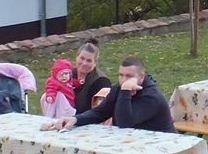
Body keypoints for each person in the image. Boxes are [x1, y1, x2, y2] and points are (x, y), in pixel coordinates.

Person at [44, 56, 174, 132]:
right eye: (121, 75)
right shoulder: (119, 88)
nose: (123, 80)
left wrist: (125, 91)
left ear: (141, 76)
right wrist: (76, 119)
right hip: (134, 144)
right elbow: (100, 112)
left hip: (161, 152)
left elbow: (124, 122)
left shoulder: (152, 97)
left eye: (129, 76)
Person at [72, 41, 112, 113]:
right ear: (76, 57)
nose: (84, 63)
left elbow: (101, 111)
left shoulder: (101, 82)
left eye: (89, 61)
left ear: (95, 63)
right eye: (82, 58)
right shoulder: (68, 74)